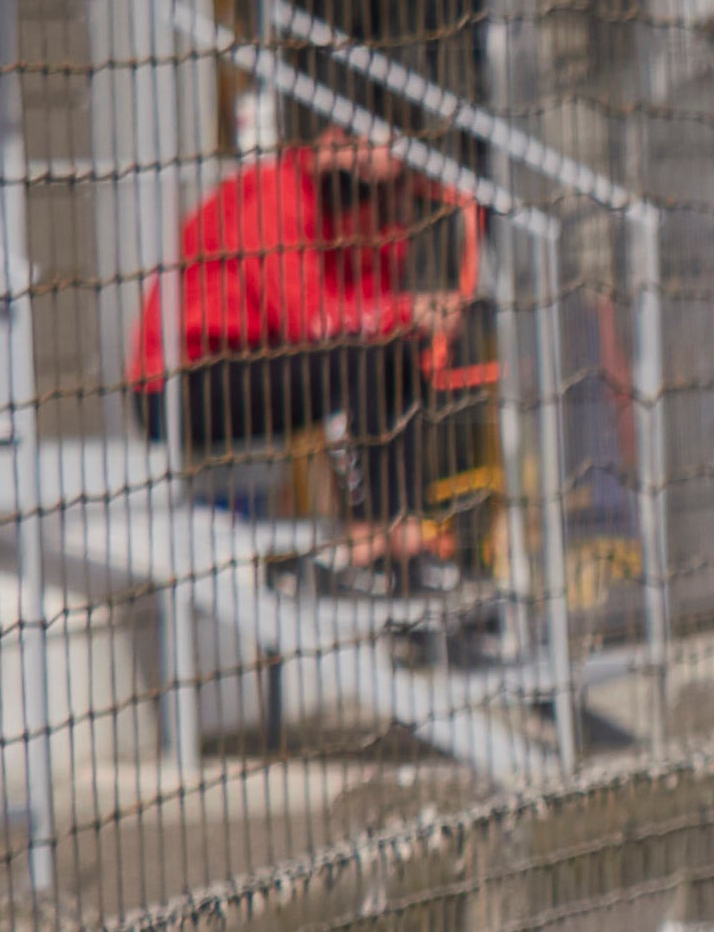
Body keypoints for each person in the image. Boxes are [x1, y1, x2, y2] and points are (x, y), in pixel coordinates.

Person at [136, 122, 475, 587]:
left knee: (395, 358)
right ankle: (365, 546)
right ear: (333, 141)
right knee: (354, 363)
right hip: (180, 387)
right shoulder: (277, 195)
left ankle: (403, 538)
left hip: (253, 368)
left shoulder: (363, 217)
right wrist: (408, 309)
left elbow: (369, 317)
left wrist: (392, 244)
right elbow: (309, 322)